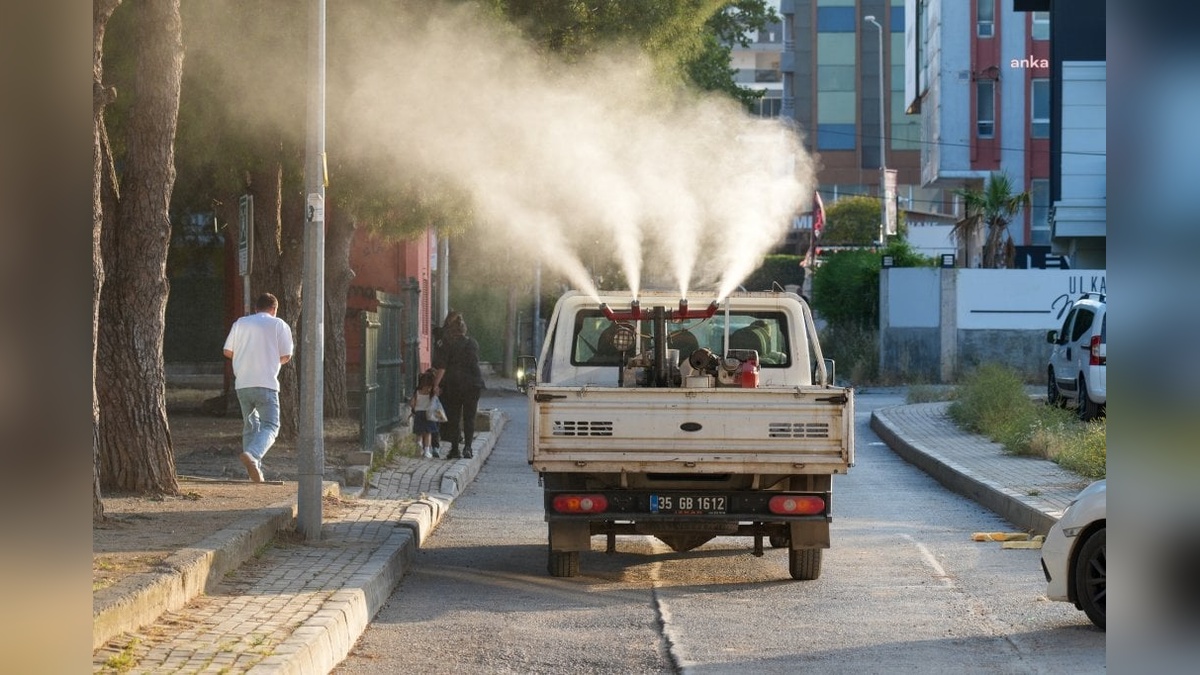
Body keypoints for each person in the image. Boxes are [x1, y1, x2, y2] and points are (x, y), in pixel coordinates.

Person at [222, 293, 294, 482]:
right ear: (274, 309)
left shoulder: (240, 323)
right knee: (271, 425)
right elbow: (286, 355)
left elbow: (227, 351)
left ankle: (254, 472)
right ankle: (253, 455)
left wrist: (245, 357)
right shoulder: (279, 324)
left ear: (256, 308)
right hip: (266, 383)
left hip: (243, 384)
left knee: (250, 427)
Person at [431, 311, 485, 459]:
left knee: (454, 418)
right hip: (473, 384)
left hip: (454, 385)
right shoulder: (473, 343)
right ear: (464, 329)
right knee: (469, 417)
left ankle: (455, 449)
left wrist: (435, 385)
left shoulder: (447, 344)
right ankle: (468, 448)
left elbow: (442, 368)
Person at [410, 370, 441, 459]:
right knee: (428, 433)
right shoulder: (431, 393)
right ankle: (427, 451)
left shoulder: (417, 392)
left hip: (419, 413)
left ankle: (419, 444)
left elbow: (412, 403)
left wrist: (414, 408)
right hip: (429, 414)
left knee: (419, 432)